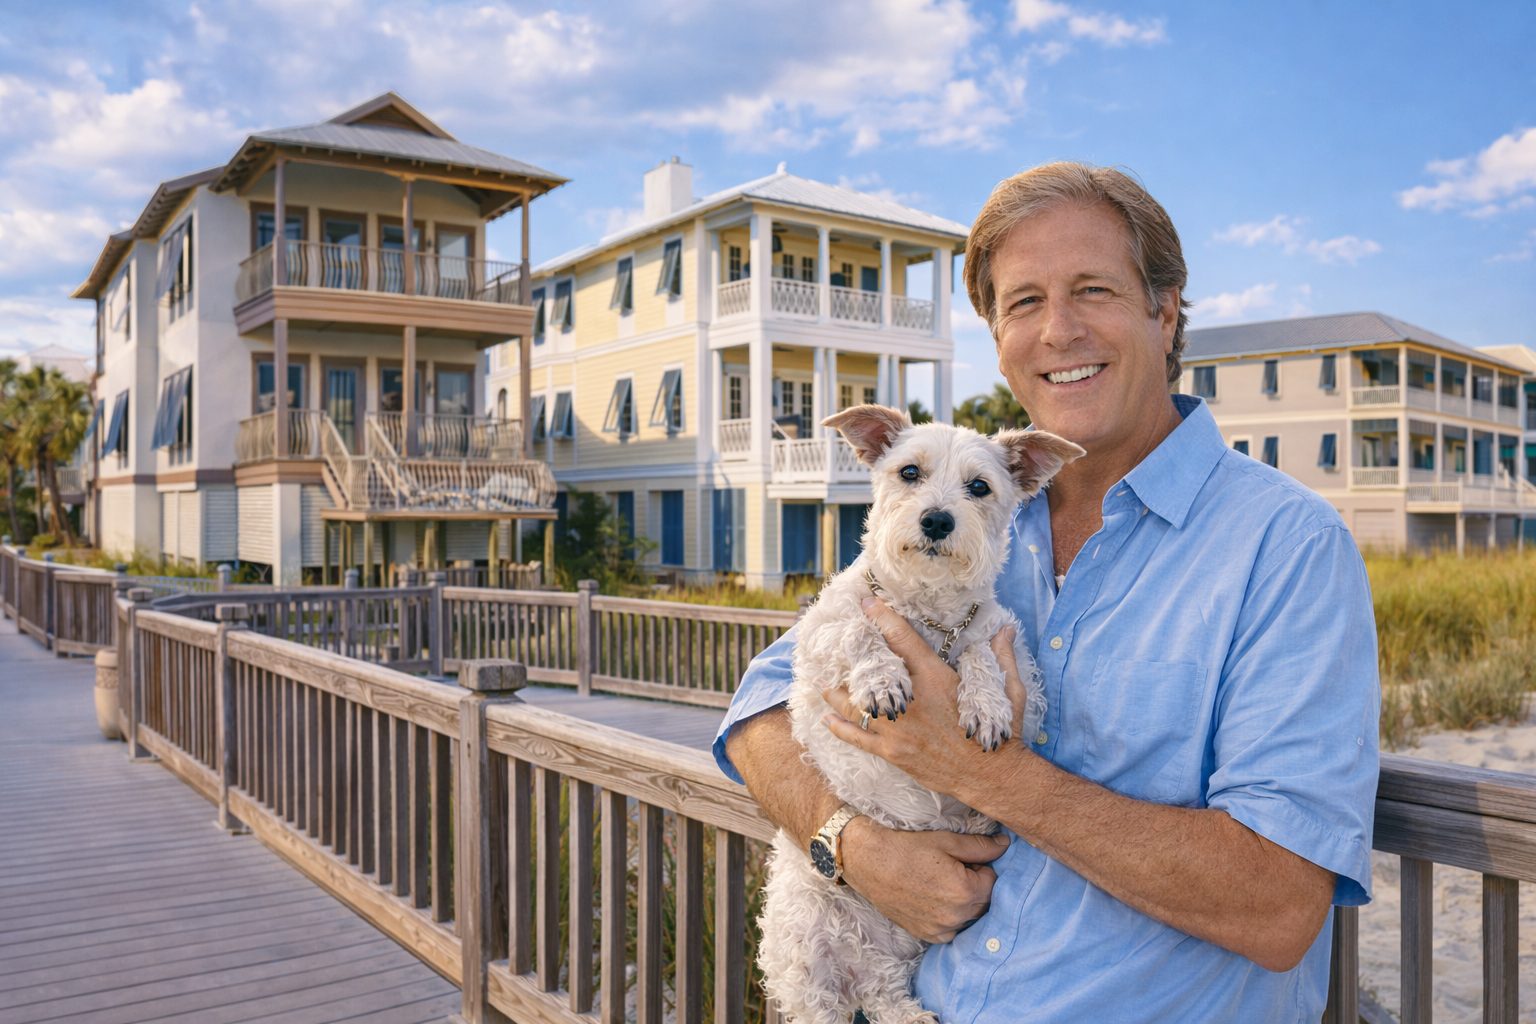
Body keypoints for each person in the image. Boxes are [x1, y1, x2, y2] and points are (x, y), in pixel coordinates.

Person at [714, 162, 1379, 1021]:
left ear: (1165, 308)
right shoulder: (967, 511)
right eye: (1023, 302)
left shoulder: (1288, 548)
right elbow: (763, 706)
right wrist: (854, 846)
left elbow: (1281, 904)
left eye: (1093, 289)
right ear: (996, 335)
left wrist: (978, 770)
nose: (1058, 331)